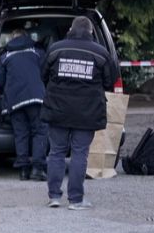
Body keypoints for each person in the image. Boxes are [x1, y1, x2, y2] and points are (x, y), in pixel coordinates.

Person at [41, 16, 117, 210]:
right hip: (87, 112)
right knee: (79, 154)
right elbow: (109, 82)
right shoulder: (100, 53)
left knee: (56, 152)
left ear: (70, 29)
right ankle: (76, 200)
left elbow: (43, 76)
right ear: (91, 32)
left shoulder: (56, 49)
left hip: (58, 109)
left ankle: (54, 197)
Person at [0, 28, 47, 181]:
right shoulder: (37, 52)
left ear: (11, 39)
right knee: (39, 131)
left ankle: (23, 170)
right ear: (26, 37)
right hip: (35, 97)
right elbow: (45, 72)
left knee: (21, 133)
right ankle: (37, 168)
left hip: (14, 100)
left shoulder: (5, 56)